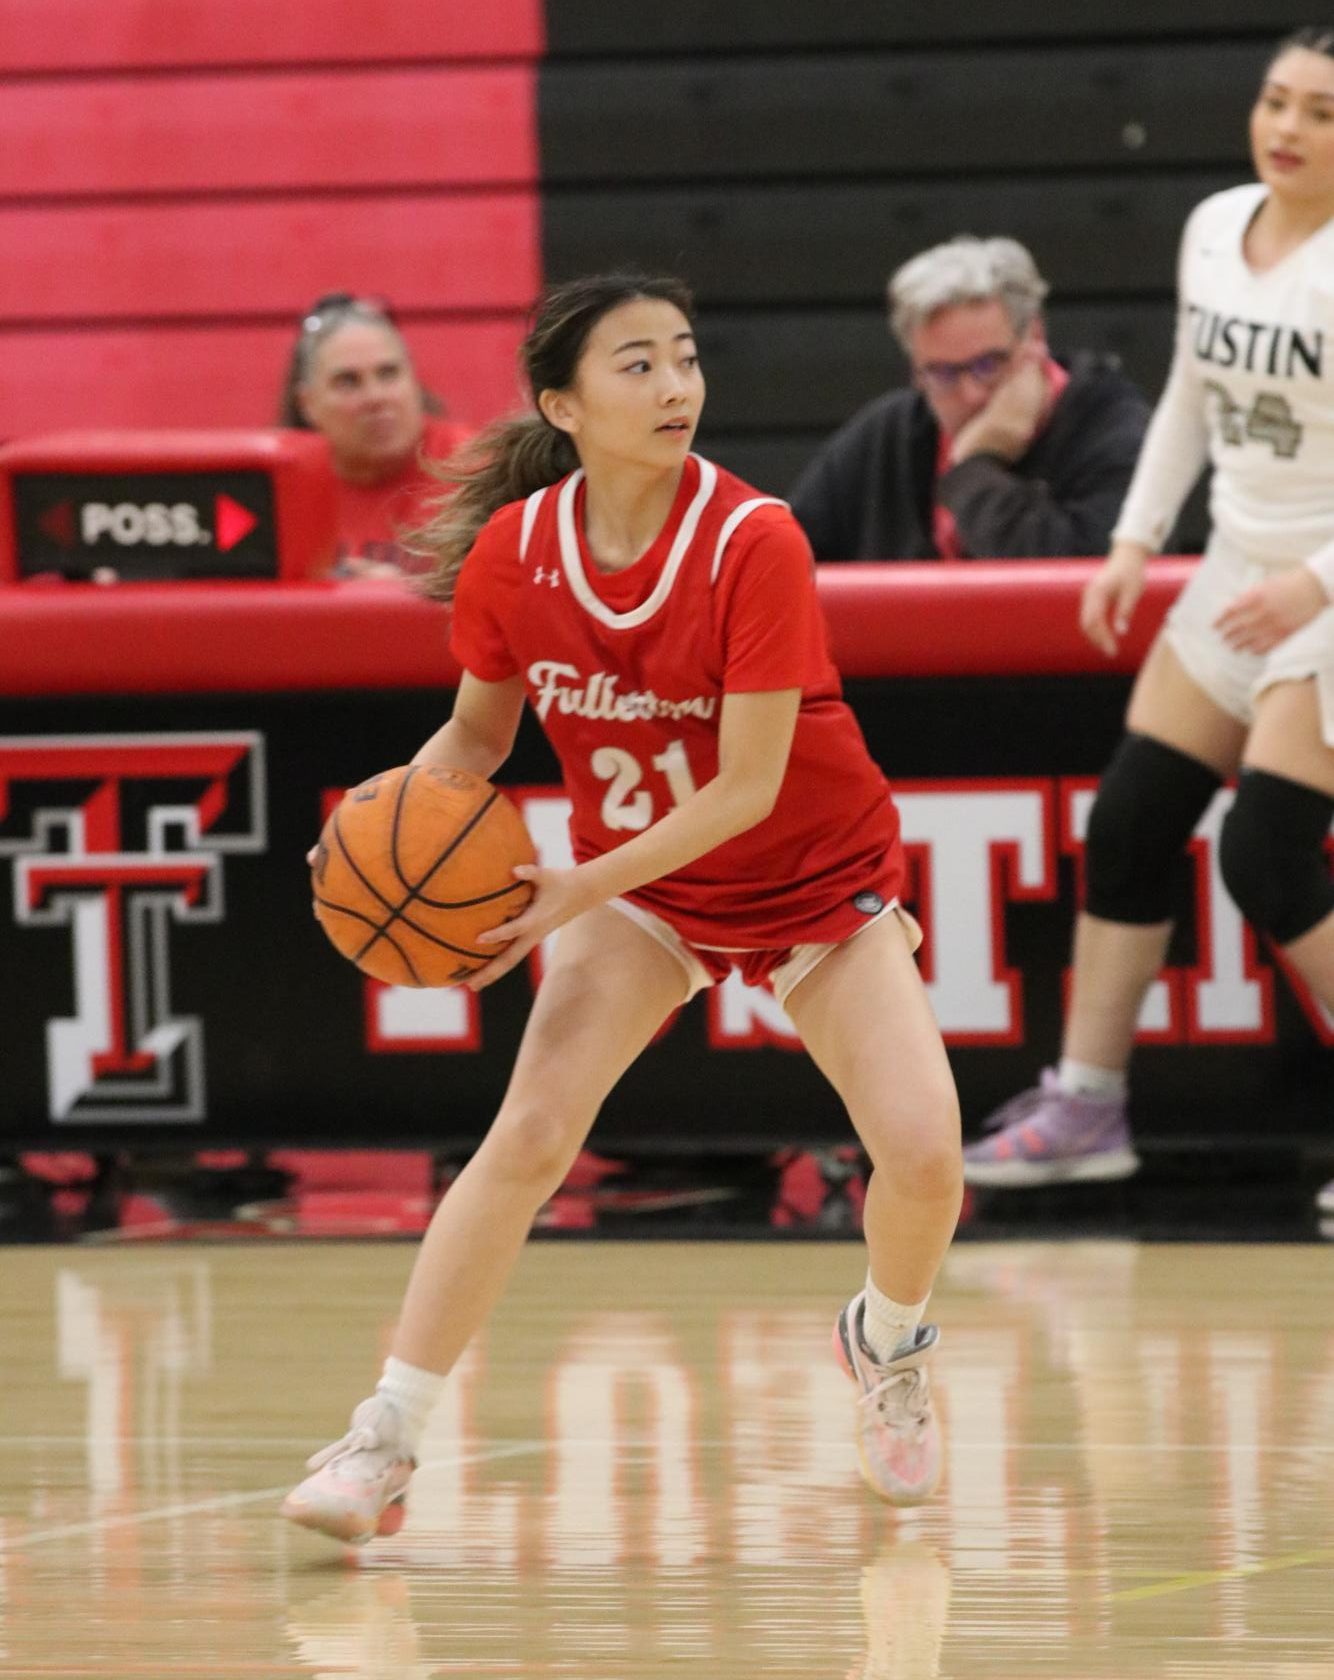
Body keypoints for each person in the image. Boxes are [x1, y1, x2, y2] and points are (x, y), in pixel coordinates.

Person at [280, 272, 963, 1543]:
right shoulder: (514, 554)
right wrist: (389, 812)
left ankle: (885, 1342)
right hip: (644, 886)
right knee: (528, 1138)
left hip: (808, 873)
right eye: (636, 365)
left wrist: (568, 890)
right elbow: (478, 740)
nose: (674, 387)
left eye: (685, 358)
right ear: (563, 403)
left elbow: (748, 787)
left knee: (924, 1152)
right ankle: (381, 1441)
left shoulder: (752, 538)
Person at [964, 27, 1334, 1220]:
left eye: (1318, 114)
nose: (1284, 127)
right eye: (1274, 100)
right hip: (1236, 567)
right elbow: (1188, 389)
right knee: (1127, 823)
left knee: (1266, 857)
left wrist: (1315, 587)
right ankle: (1085, 1105)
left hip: (1325, 588)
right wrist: (1133, 538)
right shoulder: (1214, 225)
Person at [788, 236, 1150, 561]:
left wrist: (974, 468)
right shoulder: (887, 435)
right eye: (942, 373)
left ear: (1035, 338)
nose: (971, 393)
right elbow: (786, 561)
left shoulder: (1112, 428)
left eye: (988, 364)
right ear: (916, 369)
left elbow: (1082, 586)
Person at [278, 293, 472, 577]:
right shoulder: (279, 489)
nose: (375, 397)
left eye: (388, 373)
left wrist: (406, 599)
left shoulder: (476, 471)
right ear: (307, 403)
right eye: (348, 381)